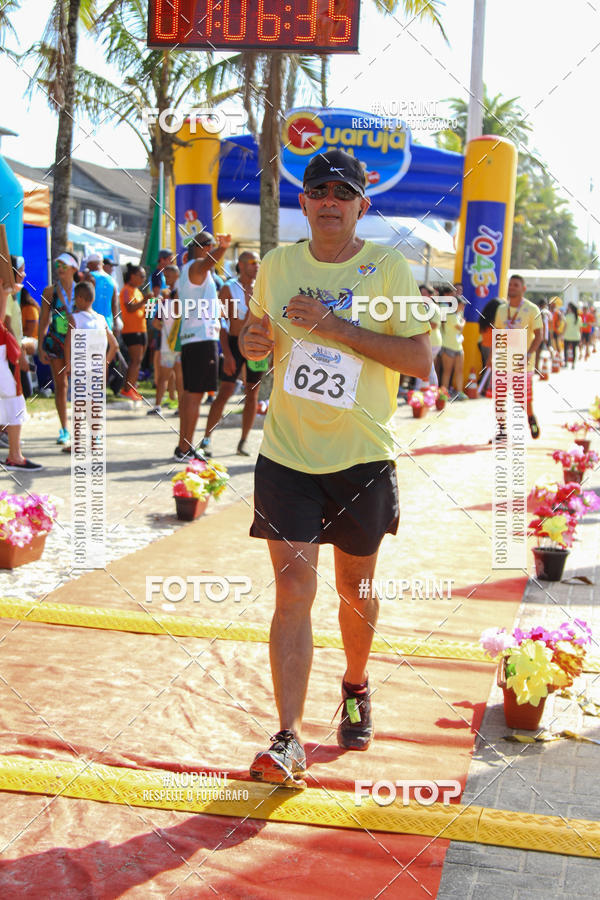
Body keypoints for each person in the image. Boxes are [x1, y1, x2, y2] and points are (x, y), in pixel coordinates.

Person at [238, 148, 431, 786]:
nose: (328, 201)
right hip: (288, 454)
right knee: (295, 591)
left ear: (360, 207)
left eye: (341, 193)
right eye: (317, 190)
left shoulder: (390, 268)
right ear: (304, 202)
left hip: (362, 458)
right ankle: (288, 737)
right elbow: (257, 336)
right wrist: (252, 343)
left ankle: (355, 683)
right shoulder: (277, 264)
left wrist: (337, 326)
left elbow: (420, 362)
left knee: (355, 590)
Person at [174, 231, 232, 461]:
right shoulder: (197, 266)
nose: (213, 250)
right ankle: (186, 447)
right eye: (210, 245)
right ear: (203, 247)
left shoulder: (188, 271)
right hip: (201, 339)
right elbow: (208, 262)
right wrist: (224, 247)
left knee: (190, 396)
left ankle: (183, 446)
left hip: (192, 339)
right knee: (194, 397)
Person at [201, 251, 263, 457]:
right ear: (241, 265)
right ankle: (207, 439)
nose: (257, 266)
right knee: (225, 392)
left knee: (252, 394)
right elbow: (223, 325)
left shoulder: (261, 289)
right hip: (234, 345)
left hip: (255, 346)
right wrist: (226, 354)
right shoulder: (229, 288)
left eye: (259, 263)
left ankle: (243, 441)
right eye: (253, 262)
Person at [493, 274, 542, 441]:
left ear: (523, 288)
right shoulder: (501, 310)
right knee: (499, 398)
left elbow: (539, 335)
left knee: (524, 400)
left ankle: (531, 419)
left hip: (522, 364)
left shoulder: (532, 309)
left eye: (516, 285)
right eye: (510, 285)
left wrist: (528, 354)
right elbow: (499, 334)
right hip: (503, 362)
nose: (512, 287)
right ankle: (501, 430)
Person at [0, 278, 42, 470]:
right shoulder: (6, 295)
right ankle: (15, 457)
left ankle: (14, 455)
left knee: (12, 402)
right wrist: (4, 293)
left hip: (7, 353)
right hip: (4, 355)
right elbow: (3, 323)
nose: (24, 275)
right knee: (16, 402)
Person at [38, 251, 79, 445]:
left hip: (78, 341)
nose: (60, 269)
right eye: (58, 266)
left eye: (64, 265)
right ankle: (64, 429)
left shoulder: (83, 290)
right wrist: (40, 346)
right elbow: (43, 320)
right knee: (61, 385)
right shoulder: (50, 292)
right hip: (56, 341)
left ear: (74, 268)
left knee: (80, 386)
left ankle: (84, 428)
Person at [148, 264, 183, 414]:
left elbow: (156, 322)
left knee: (169, 377)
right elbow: (156, 322)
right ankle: (175, 407)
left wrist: (162, 326)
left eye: (168, 276)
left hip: (173, 345)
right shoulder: (167, 300)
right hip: (175, 344)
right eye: (165, 276)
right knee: (171, 377)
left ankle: (159, 406)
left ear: (176, 276)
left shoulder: (175, 298)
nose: (166, 279)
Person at [64, 280, 118, 373]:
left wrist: (68, 365)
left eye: (75, 299)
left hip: (80, 371)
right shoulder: (102, 320)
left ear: (79, 298)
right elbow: (115, 345)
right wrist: (105, 364)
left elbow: (67, 345)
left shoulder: (75, 318)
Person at [119, 263, 147, 400]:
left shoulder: (138, 291)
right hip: (131, 330)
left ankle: (132, 387)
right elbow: (129, 308)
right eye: (141, 276)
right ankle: (126, 389)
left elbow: (140, 309)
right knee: (135, 360)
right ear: (133, 276)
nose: (143, 279)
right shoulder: (126, 290)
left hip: (141, 329)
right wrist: (144, 301)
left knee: (138, 361)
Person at [85, 252, 119, 335]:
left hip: (90, 324)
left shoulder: (89, 277)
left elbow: (83, 299)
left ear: (90, 264)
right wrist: (116, 324)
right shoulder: (112, 280)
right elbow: (115, 303)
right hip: (107, 325)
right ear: (101, 263)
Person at [440, 294, 467, 400]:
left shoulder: (458, 315)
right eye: (462, 305)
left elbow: (459, 328)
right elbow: (459, 327)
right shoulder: (450, 315)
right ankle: (444, 393)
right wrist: (464, 322)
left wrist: (462, 321)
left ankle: (459, 392)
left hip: (458, 347)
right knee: (447, 371)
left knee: (459, 370)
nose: (463, 307)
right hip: (448, 346)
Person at [563, 302, 581, 368]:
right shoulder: (579, 317)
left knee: (566, 350)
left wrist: (562, 334)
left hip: (567, 335)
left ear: (570, 308)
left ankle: (566, 363)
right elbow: (580, 328)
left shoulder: (567, 316)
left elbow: (565, 326)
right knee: (574, 350)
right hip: (576, 336)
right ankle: (573, 364)